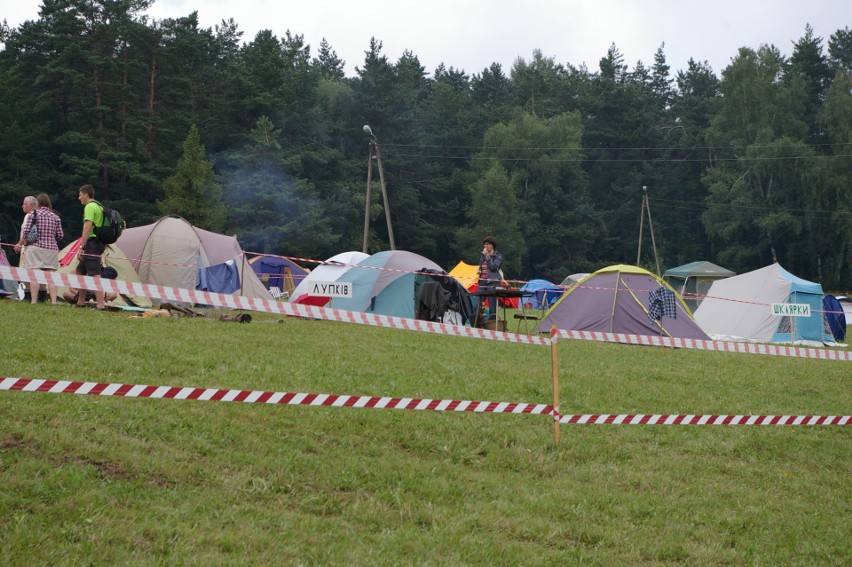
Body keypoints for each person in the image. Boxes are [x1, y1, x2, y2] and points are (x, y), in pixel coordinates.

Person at [14, 194, 63, 304]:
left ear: (38, 203)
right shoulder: (55, 217)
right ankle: (54, 301)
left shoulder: (32, 214)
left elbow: (26, 233)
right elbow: (60, 235)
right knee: (50, 276)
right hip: (51, 249)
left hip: (35, 248)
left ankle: (34, 301)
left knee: (34, 275)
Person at [75, 184, 106, 309]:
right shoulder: (99, 206)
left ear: (86, 195)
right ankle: (80, 302)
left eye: (80, 194)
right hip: (98, 242)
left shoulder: (89, 207)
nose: (79, 198)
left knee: (95, 273)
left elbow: (88, 227)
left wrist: (81, 247)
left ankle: (100, 305)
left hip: (92, 242)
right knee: (80, 271)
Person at [476, 236, 504, 322]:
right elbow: (482, 267)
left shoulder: (498, 256)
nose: (485, 246)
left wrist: (488, 257)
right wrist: (479, 270)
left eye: (487, 244)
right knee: (477, 304)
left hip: (493, 283)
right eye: (484, 245)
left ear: (492, 245)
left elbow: (493, 267)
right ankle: (479, 322)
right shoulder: (482, 256)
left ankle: (492, 325)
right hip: (482, 282)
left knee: (492, 307)